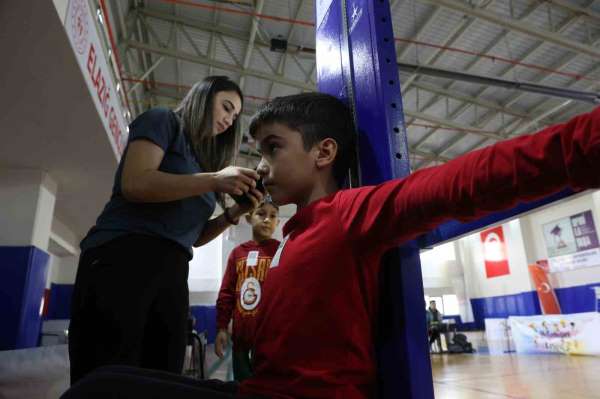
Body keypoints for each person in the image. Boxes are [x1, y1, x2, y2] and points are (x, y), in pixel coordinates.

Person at [62, 94, 600, 399]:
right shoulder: (286, 243)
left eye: (272, 147)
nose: (261, 163)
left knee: (100, 392)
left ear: (323, 152)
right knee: (103, 382)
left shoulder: (351, 214)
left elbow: (476, 178)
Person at [67, 76, 264, 385]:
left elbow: (194, 237)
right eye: (226, 107)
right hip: (122, 254)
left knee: (162, 373)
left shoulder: (203, 161)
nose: (229, 119)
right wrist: (213, 179)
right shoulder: (164, 121)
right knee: (107, 369)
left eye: (235, 116)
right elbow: (135, 183)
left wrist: (234, 212)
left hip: (172, 268)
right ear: (203, 97)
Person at [215, 200, 280, 381]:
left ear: (278, 223)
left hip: (271, 338)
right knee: (242, 388)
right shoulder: (237, 254)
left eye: (273, 216)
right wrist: (221, 327)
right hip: (242, 338)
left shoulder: (281, 250)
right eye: (261, 213)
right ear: (249, 217)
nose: (267, 219)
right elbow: (227, 292)